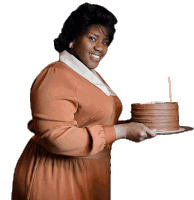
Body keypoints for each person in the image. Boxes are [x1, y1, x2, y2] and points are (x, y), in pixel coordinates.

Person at [12, 3, 156, 200]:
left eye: (105, 42)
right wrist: (122, 131)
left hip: (88, 175)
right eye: (92, 38)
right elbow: (58, 137)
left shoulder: (89, 75)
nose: (100, 48)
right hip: (56, 177)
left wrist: (132, 125)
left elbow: (90, 123)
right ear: (73, 38)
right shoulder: (55, 75)